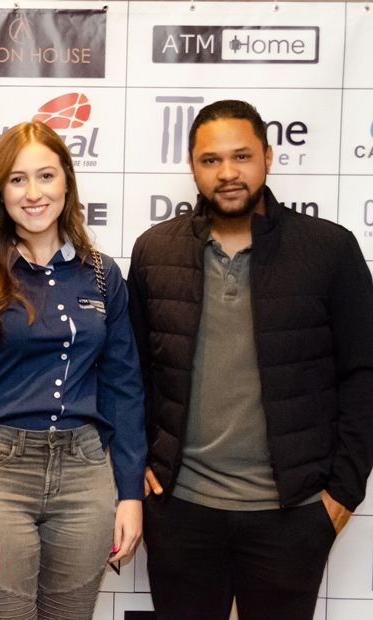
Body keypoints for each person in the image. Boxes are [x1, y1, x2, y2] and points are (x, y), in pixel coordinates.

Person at [128, 99, 373, 619]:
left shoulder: (328, 249)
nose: (228, 173)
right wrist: (138, 470)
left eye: (241, 156)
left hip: (293, 516)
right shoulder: (155, 250)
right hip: (180, 512)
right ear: (192, 167)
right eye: (211, 160)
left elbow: (363, 374)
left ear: (268, 155)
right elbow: (135, 375)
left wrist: (342, 494)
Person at [0, 121, 146, 619]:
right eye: (17, 179)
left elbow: (123, 388)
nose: (33, 193)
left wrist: (129, 492)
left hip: (86, 474)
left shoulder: (101, 273)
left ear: (67, 182)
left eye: (45, 176)